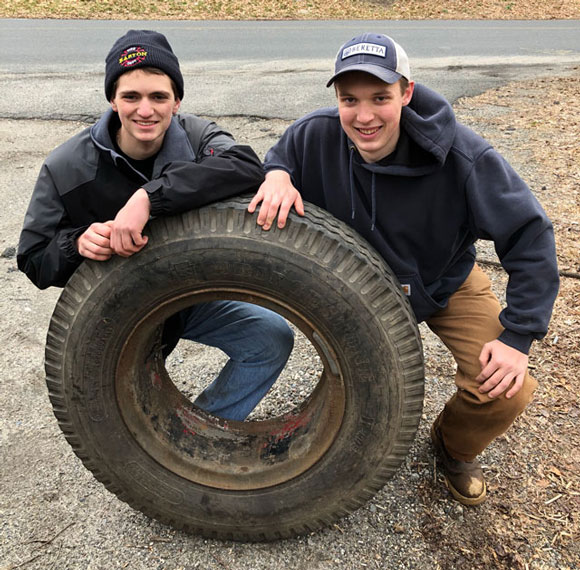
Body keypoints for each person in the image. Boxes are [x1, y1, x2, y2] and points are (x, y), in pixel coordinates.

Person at [249, 32, 559, 505]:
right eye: (349, 99)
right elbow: (283, 153)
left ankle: (451, 446)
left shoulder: (465, 157)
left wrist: (518, 336)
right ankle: (323, 447)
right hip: (357, 288)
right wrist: (276, 174)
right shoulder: (316, 134)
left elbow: (531, 236)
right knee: (362, 393)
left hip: (442, 282)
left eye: (380, 97)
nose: (364, 115)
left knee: (503, 392)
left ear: (407, 92)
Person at [17, 29, 294, 421]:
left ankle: (203, 429)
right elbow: (32, 258)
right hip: (120, 309)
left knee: (270, 337)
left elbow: (246, 166)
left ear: (176, 101)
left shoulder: (199, 138)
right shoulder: (65, 166)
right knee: (123, 417)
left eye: (158, 97)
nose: (145, 110)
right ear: (112, 99)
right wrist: (76, 244)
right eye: (131, 96)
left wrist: (149, 197)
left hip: (189, 293)